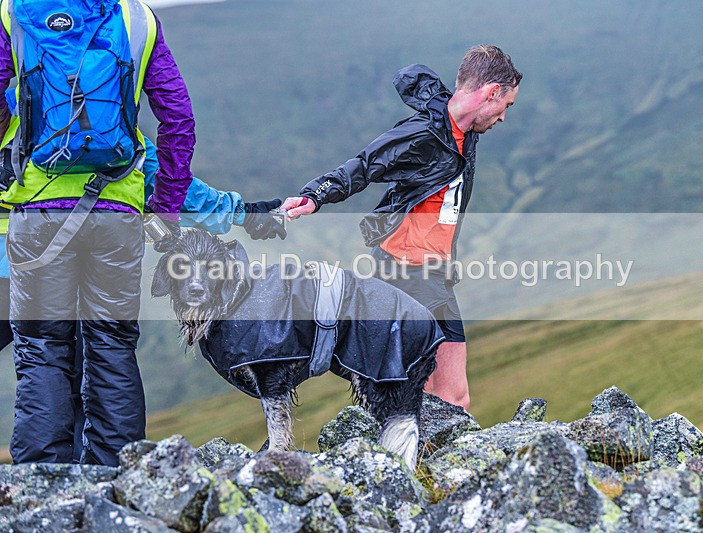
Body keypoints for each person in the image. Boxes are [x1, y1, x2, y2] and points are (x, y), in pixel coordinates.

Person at [0, 133, 285, 462]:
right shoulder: (98, 102)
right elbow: (166, 175)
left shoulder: (23, 98)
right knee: (82, 377)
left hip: (25, 255)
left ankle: (54, 486)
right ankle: (80, 489)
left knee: (48, 366)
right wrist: (244, 213)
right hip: (82, 264)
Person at [0, 0, 197, 466]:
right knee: (111, 344)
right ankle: (118, 474)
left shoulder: (12, 13)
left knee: (43, 346)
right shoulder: (138, 19)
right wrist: (166, 208)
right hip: (117, 210)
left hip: (37, 207)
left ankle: (43, 481)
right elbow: (178, 119)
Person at [281, 45, 522, 410]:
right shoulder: (422, 134)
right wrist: (315, 195)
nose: (504, 117)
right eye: (506, 106)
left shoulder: (464, 128)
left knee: (434, 392)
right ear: (490, 93)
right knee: (438, 395)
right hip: (408, 270)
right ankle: (410, 459)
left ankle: (405, 454)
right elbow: (363, 166)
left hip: (429, 272)